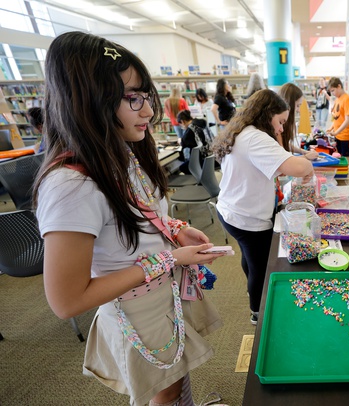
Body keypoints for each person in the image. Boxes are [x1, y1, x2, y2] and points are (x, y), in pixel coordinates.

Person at [34, 31, 228, 406]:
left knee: (176, 374)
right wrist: (170, 259)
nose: (149, 111)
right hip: (135, 308)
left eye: (146, 97)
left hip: (162, 294)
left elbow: (143, 213)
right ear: (89, 101)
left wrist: (177, 229)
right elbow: (67, 301)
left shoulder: (119, 152)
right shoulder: (70, 185)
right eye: (132, 99)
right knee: (161, 388)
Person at [212, 89, 314, 325]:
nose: (280, 129)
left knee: (250, 258)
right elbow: (298, 168)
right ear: (267, 114)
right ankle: (258, 313)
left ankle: (253, 295)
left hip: (231, 211)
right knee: (260, 265)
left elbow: (265, 165)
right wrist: (306, 166)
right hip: (246, 218)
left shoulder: (243, 132)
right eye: (280, 122)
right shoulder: (255, 137)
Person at [278, 82, 319, 160]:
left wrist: (303, 152)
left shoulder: (287, 122)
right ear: (288, 103)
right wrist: (305, 156)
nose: (298, 110)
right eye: (297, 106)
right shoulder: (278, 124)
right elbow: (281, 157)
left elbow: (285, 144)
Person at [176, 109, 213, 173]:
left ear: (182, 121)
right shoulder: (203, 122)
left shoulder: (191, 128)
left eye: (180, 125)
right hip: (211, 157)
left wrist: (180, 141)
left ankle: (196, 178)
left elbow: (183, 143)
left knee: (182, 167)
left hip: (201, 159)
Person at [326, 77, 349, 157]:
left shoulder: (347, 99)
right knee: (339, 157)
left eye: (333, 90)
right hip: (337, 135)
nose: (332, 93)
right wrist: (331, 128)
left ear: (339, 86)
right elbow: (336, 117)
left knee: (345, 159)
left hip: (345, 136)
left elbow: (348, 120)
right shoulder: (337, 99)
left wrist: (336, 132)